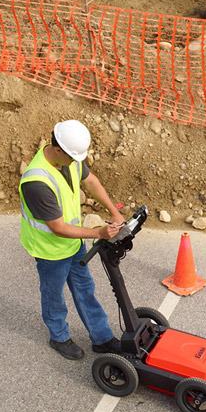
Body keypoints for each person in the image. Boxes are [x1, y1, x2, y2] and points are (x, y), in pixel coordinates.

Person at [18, 119, 124, 360]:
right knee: (53, 294)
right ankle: (59, 337)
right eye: (72, 157)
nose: (77, 162)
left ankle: (102, 338)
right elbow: (57, 227)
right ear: (57, 150)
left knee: (85, 288)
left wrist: (114, 212)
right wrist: (98, 233)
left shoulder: (69, 157)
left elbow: (91, 181)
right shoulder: (36, 181)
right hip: (50, 250)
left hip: (74, 242)